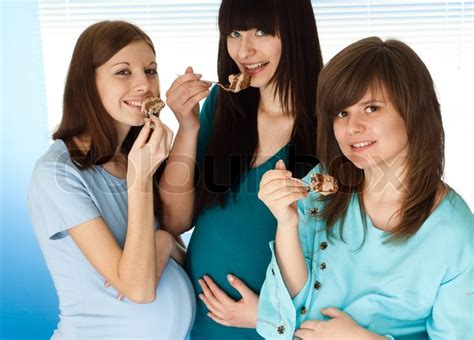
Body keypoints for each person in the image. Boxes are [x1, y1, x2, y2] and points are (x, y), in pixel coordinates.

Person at [257, 37, 474, 339]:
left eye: (371, 108)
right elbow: (300, 304)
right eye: (342, 113)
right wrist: (286, 222)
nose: (352, 127)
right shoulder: (321, 186)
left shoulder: (456, 233)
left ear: (413, 111)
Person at [160, 0, 323, 337]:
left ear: (295, 32)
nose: (244, 51)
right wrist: (187, 127)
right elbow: (177, 220)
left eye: (261, 32)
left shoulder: (330, 122)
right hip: (204, 322)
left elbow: (343, 258)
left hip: (277, 328)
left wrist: (268, 316)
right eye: (234, 33)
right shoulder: (222, 107)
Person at [27, 21, 195, 339]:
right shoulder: (58, 174)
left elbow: (176, 223)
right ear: (87, 83)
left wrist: (188, 128)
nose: (144, 85)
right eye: (123, 72)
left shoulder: (135, 155)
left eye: (150, 70)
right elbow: (138, 288)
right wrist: (140, 179)